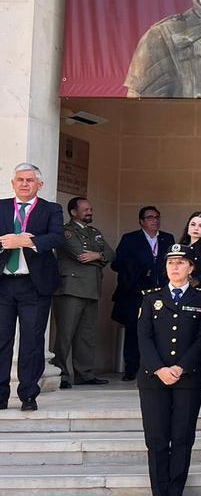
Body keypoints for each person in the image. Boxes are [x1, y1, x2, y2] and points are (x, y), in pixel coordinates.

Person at [137, 243, 201, 496]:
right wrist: (159, 368)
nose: (175, 267)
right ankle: (159, 495)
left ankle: (176, 494)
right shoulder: (150, 297)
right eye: (170, 263)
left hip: (187, 378)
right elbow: (143, 337)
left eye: (180, 263)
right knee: (156, 439)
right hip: (154, 379)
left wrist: (180, 367)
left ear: (191, 268)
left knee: (181, 437)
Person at [0, 163, 65, 411]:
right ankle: (0, 395)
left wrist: (28, 242)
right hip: (4, 283)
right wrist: (6, 243)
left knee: (32, 342)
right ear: (13, 183)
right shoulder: (2, 207)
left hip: (35, 286)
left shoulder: (51, 209)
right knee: (2, 341)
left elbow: (57, 236)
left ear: (40, 184)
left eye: (29, 180)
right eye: (20, 180)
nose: (24, 184)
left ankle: (28, 395)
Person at [52, 196, 114, 388]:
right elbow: (80, 255)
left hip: (92, 288)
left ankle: (84, 374)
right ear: (73, 212)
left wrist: (97, 255)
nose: (90, 212)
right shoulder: (66, 232)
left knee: (86, 335)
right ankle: (61, 373)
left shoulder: (94, 232)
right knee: (65, 334)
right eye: (86, 209)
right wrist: (100, 257)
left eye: (91, 209)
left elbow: (111, 254)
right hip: (71, 289)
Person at [112, 206, 175, 381]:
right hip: (136, 293)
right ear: (141, 221)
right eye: (150, 217)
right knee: (135, 331)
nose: (155, 220)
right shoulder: (130, 239)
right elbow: (118, 264)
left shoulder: (167, 238)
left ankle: (157, 367)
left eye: (157, 217)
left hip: (161, 292)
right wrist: (140, 270)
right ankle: (132, 368)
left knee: (161, 331)